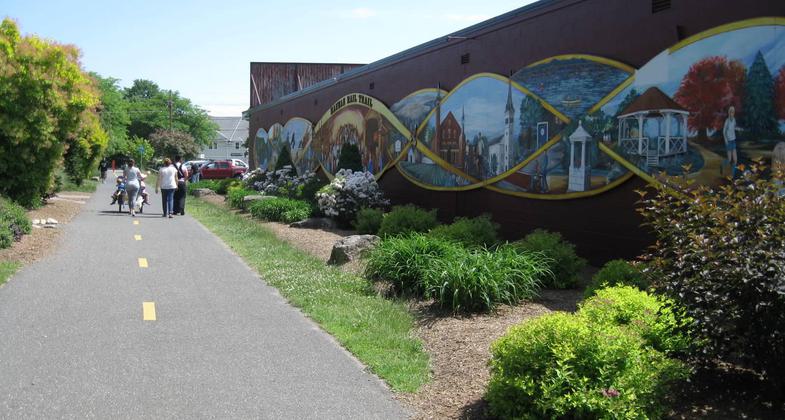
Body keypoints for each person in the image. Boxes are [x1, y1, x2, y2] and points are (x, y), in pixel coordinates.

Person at [722, 106, 741, 177]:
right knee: (729, 160)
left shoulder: (734, 120)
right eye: (731, 112)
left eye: (733, 112)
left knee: (735, 160)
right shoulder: (727, 121)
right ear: (729, 113)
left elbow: (734, 127)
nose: (732, 113)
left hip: (733, 141)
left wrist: (738, 129)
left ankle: (732, 175)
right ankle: (722, 165)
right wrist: (726, 141)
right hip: (729, 142)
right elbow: (724, 131)